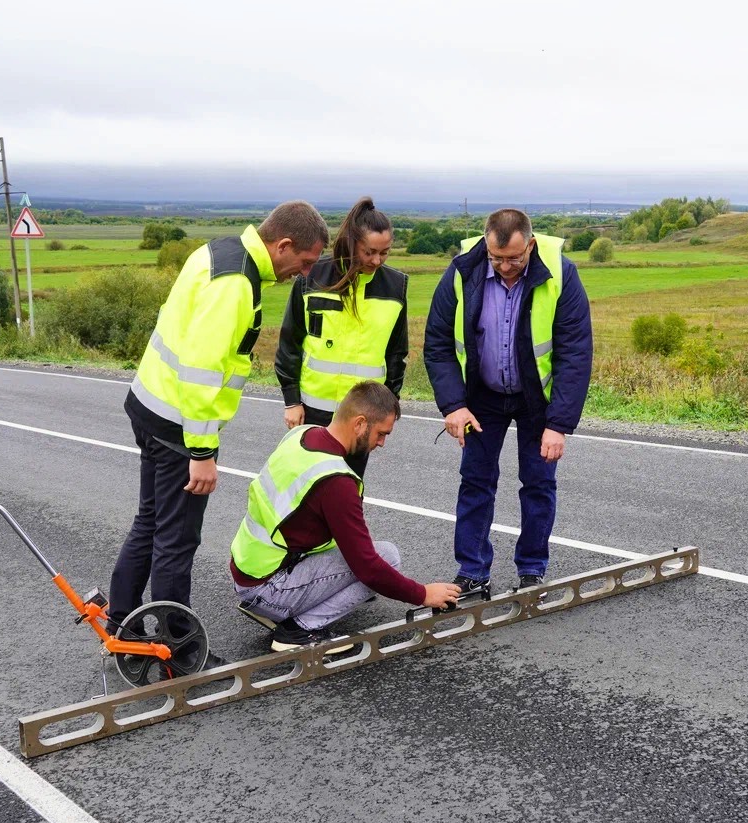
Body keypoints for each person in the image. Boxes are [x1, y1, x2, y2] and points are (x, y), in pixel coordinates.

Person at [108, 201, 330, 645]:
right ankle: (177, 647)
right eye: (304, 262)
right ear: (283, 244)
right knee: (176, 539)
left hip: (152, 408)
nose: (302, 274)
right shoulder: (235, 283)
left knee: (149, 522)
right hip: (178, 425)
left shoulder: (220, 251)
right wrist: (202, 452)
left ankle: (122, 624)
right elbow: (200, 370)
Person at [423, 208, 593, 593]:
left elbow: (575, 353)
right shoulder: (462, 271)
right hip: (480, 398)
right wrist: (453, 405)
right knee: (476, 482)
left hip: (537, 400)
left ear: (530, 245)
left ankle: (532, 569)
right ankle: (472, 572)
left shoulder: (561, 274)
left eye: (515, 258)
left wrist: (559, 424)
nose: (505, 267)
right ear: (486, 245)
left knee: (538, 484)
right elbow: (437, 345)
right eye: (496, 258)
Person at [229, 381, 461, 652]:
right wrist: (423, 594)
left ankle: (279, 608)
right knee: (386, 556)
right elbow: (369, 568)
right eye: (381, 433)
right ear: (360, 423)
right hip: (268, 590)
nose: (382, 443)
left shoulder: (302, 435)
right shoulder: (336, 481)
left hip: (249, 569)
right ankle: (298, 630)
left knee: (357, 548)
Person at [274, 196, 408, 478]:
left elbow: (397, 354)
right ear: (351, 242)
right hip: (312, 413)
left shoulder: (396, 286)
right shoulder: (312, 278)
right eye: (369, 252)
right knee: (305, 490)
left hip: (362, 419)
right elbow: (289, 343)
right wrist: (291, 401)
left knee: (347, 491)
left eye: (384, 253)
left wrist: (389, 407)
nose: (376, 260)